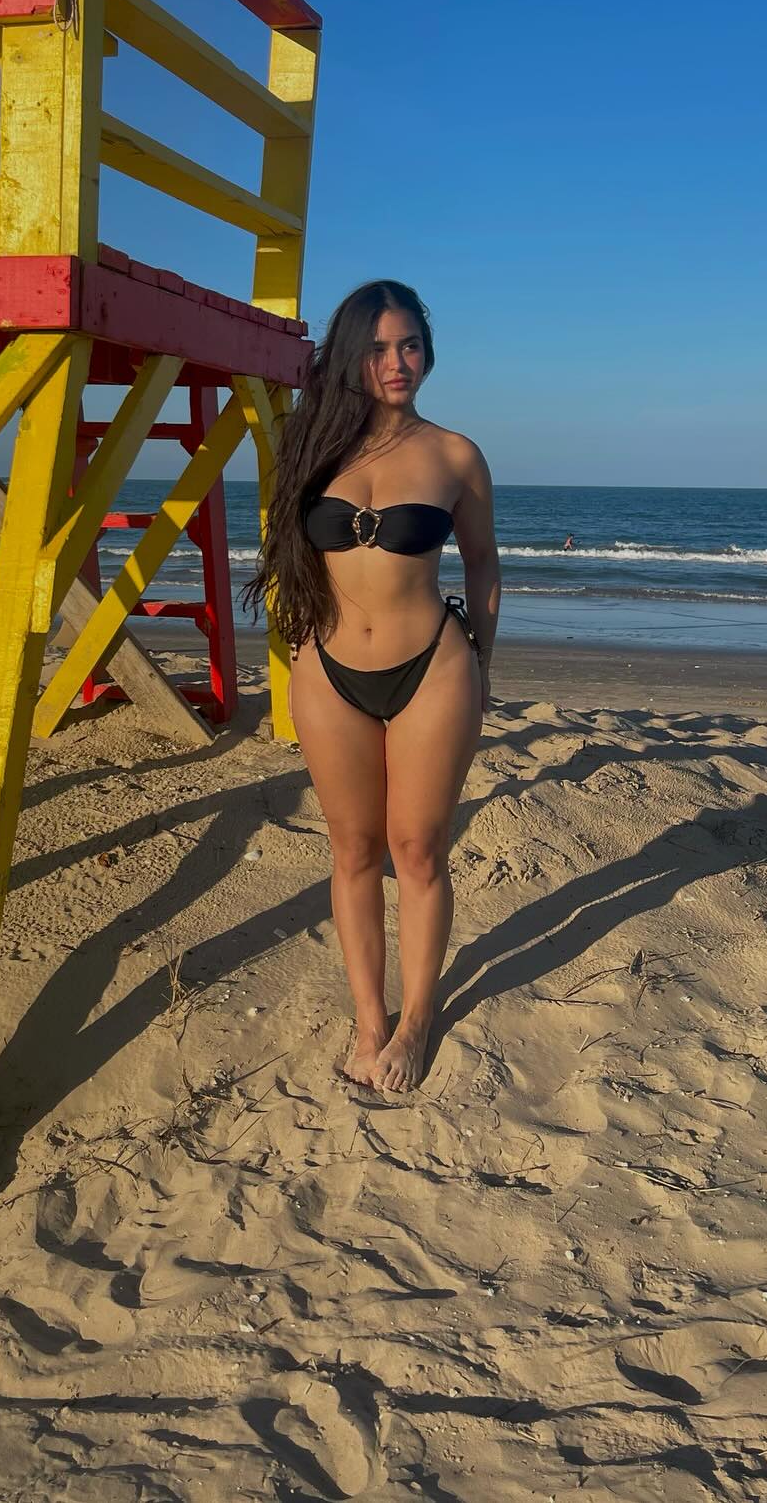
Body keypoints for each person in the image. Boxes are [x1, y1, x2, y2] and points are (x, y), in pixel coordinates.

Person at [245, 280, 500, 1092]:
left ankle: (417, 1018)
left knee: (418, 850)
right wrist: (298, 642)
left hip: (432, 668)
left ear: (428, 353)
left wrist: (483, 664)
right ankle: (369, 1020)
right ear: (353, 356)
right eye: (380, 348)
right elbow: (287, 552)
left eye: (411, 345)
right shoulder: (312, 449)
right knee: (354, 849)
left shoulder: (455, 455)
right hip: (329, 675)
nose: (398, 363)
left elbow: (484, 565)